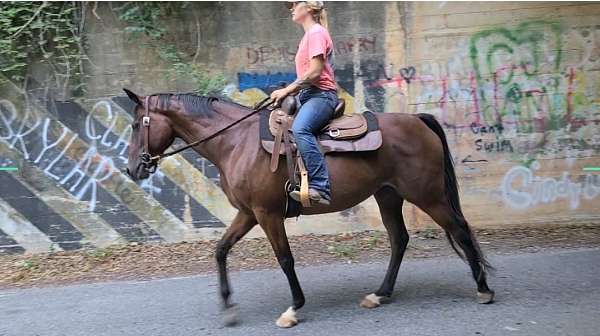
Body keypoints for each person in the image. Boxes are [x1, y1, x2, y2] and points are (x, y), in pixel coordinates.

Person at [270, 1, 338, 206]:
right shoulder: (309, 35)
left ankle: (320, 187)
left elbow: (315, 72)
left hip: (322, 95)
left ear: (308, 8)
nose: (291, 8)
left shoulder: (316, 33)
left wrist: (287, 90)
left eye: (295, 4)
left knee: (301, 129)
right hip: (307, 95)